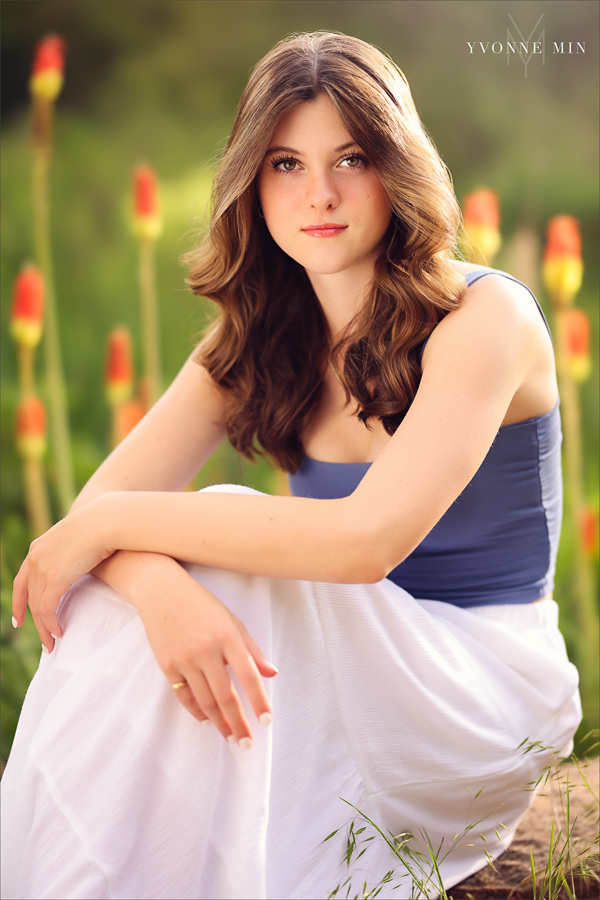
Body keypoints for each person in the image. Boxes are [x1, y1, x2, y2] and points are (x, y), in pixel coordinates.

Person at [2, 31, 581, 900]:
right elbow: (94, 514)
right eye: (284, 163)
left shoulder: (485, 319)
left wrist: (117, 530)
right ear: (250, 182)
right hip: (342, 673)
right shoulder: (255, 339)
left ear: (398, 167)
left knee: (227, 552)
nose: (319, 193)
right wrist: (160, 592)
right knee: (135, 594)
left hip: (479, 693)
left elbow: (364, 543)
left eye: (351, 157)